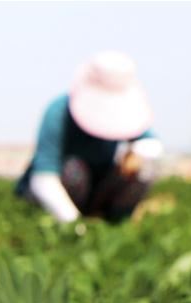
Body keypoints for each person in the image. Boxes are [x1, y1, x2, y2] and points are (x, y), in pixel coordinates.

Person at [16, 51, 163, 223]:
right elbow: (43, 178)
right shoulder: (59, 112)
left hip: (95, 188)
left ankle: (116, 223)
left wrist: (136, 152)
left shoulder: (124, 114)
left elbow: (152, 144)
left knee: (143, 168)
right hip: (61, 193)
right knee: (74, 170)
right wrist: (74, 225)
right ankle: (73, 221)